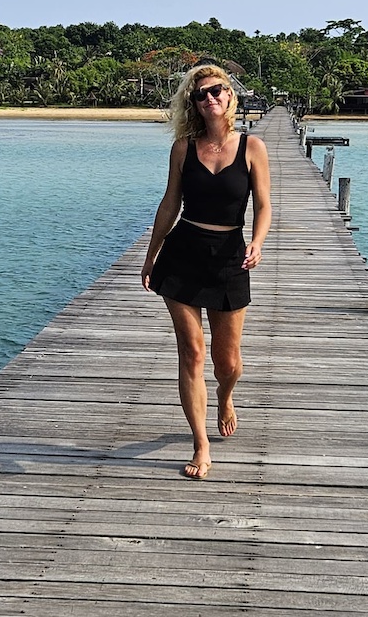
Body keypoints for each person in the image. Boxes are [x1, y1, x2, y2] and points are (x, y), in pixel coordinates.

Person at [141, 64, 271, 479]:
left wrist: (258, 242)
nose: (210, 98)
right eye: (200, 94)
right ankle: (200, 444)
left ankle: (226, 396)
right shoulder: (183, 147)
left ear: (230, 96)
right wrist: (150, 255)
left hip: (229, 256)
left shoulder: (253, 147)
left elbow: (265, 206)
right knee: (192, 352)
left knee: (227, 361)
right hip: (183, 253)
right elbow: (169, 204)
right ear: (193, 104)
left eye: (217, 91)